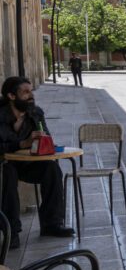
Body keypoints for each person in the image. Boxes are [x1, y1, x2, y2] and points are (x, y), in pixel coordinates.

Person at [0, 77, 75, 245]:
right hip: (4, 164)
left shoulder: (36, 113)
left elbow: (46, 139)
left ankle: (52, 224)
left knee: (51, 169)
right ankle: (11, 232)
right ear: (12, 96)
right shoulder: (1, 116)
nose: (31, 95)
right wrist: (22, 143)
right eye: (25, 92)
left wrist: (44, 141)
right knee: (8, 173)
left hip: (26, 163)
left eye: (31, 91)